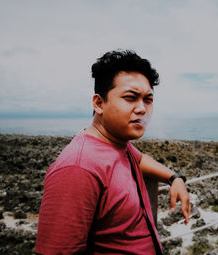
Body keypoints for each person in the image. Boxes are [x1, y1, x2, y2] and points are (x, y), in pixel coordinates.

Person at [35, 50, 190, 254]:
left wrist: (175, 178)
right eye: (130, 98)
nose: (142, 109)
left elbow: (140, 159)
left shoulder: (117, 144)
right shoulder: (78, 167)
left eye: (148, 100)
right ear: (99, 103)